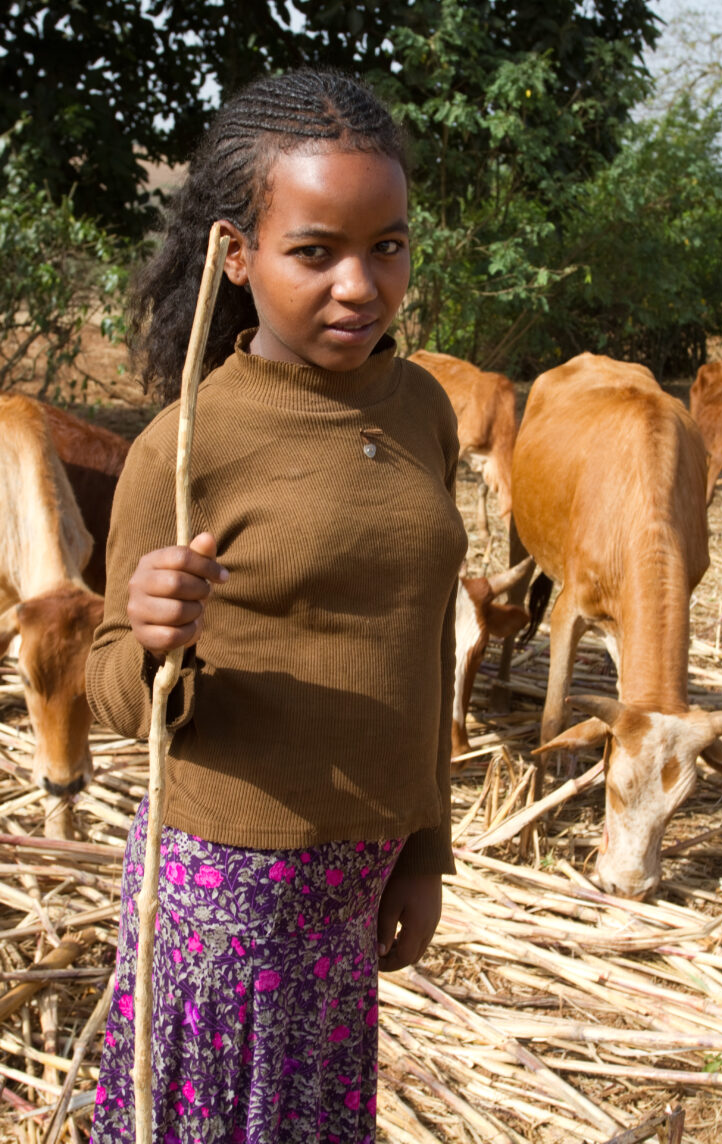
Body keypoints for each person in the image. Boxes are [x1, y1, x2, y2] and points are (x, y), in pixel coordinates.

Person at [86, 68, 467, 1144]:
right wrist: (157, 635)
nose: (359, 284)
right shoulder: (191, 440)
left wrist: (424, 851)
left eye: (385, 245)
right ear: (235, 256)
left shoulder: (422, 409)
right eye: (315, 252)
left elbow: (424, 646)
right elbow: (111, 688)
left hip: (358, 876)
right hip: (227, 890)